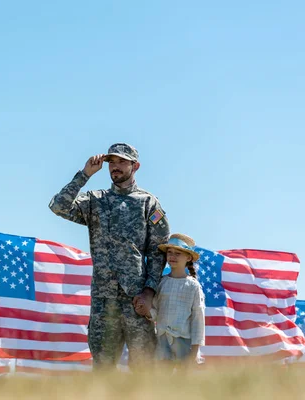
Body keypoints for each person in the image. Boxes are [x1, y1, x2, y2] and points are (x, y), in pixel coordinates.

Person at [48, 143, 170, 369]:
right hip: (104, 301)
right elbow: (58, 207)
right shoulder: (95, 200)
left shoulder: (148, 203)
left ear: (136, 166)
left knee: (143, 369)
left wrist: (149, 291)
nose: (116, 167)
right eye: (112, 162)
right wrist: (84, 175)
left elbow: (158, 251)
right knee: (104, 368)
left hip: (137, 301)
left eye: (122, 162)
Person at [138, 233, 205, 366]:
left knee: (182, 381)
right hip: (162, 341)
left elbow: (198, 319)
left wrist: (195, 351)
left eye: (178, 253)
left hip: (183, 342)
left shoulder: (193, 286)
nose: (172, 256)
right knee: (162, 380)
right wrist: (146, 311)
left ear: (188, 257)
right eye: (170, 252)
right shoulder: (162, 282)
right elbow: (157, 313)